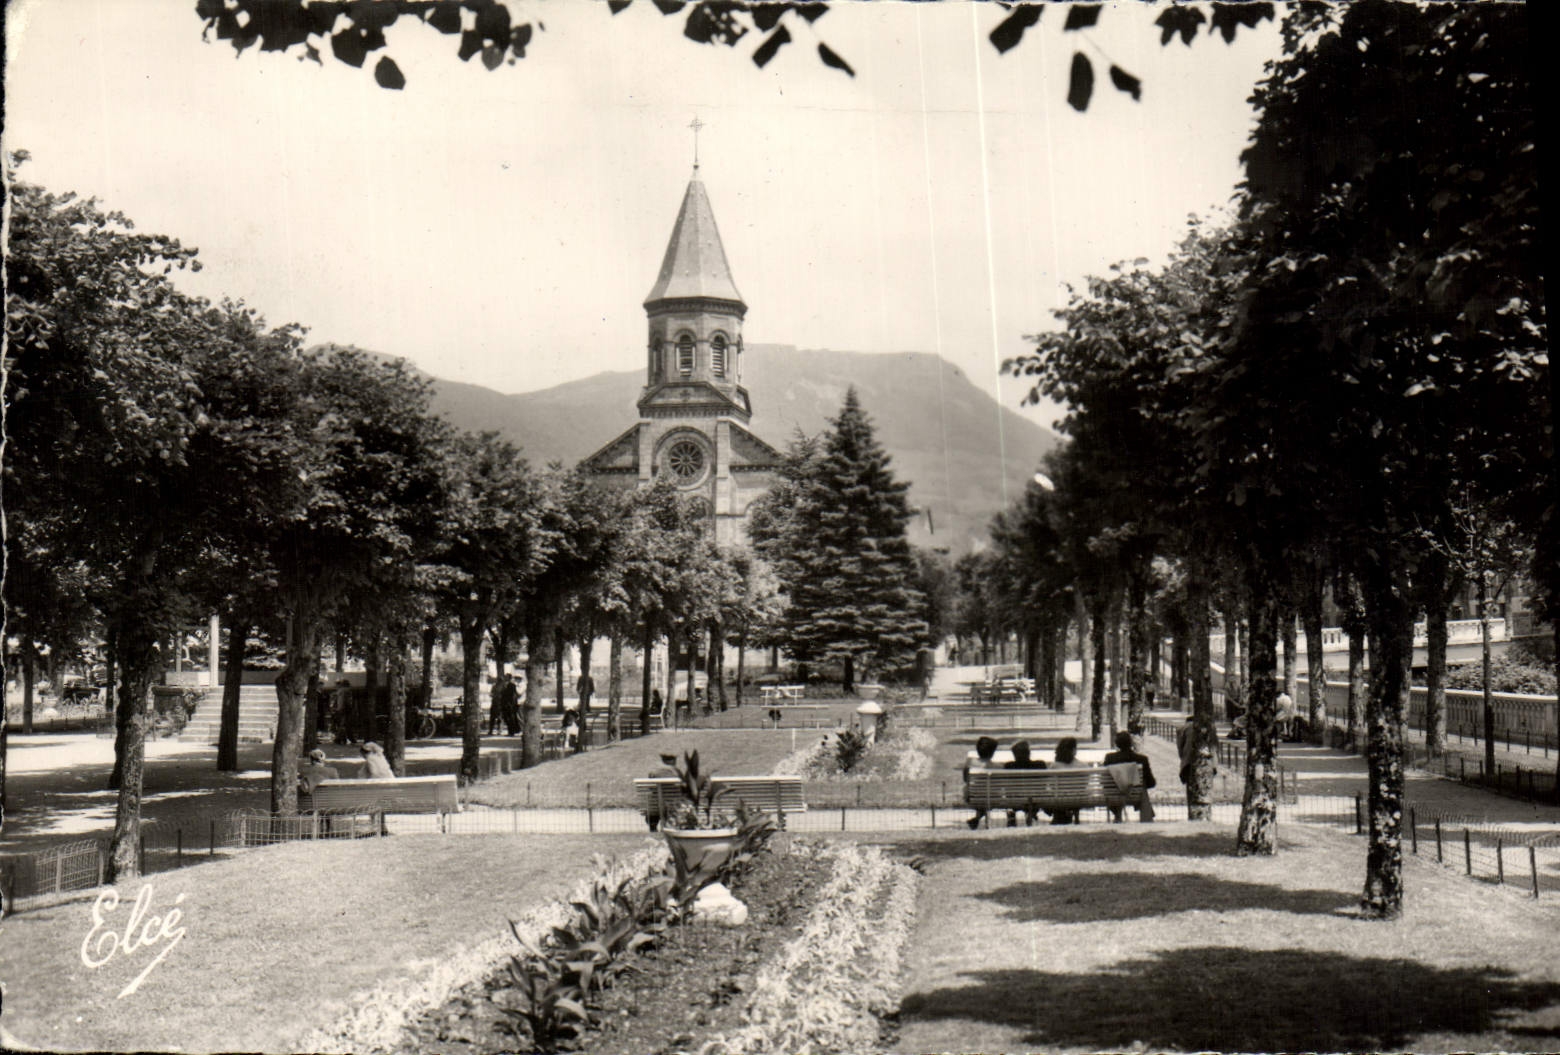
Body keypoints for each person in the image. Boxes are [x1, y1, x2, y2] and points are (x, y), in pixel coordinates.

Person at [1103, 730, 1157, 822]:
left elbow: (1105, 781)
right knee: (1141, 787)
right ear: (1131, 743)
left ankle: (1117, 815)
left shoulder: (1110, 758)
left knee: (1116, 787)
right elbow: (1151, 783)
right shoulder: (1142, 759)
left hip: (1114, 795)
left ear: (1117, 744)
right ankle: (1147, 817)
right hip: (1135, 795)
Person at [1004, 739, 1047, 826]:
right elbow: (1045, 784)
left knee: (1010, 794)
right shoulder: (1040, 765)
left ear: (1014, 754)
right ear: (1029, 752)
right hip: (1034, 799)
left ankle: (1011, 815)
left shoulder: (1009, 766)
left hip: (1014, 800)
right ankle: (1031, 812)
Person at [1048, 736, 1086, 825]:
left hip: (1060, 798)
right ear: (1073, 750)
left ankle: (1061, 817)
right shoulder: (1083, 766)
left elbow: (1051, 786)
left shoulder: (1054, 766)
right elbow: (1085, 784)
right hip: (1078, 798)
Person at [964, 735, 1000, 829]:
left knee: (981, 796)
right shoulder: (996, 767)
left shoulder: (970, 763)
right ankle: (977, 818)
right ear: (992, 752)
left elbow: (965, 779)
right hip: (993, 798)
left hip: (972, 797)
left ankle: (977, 818)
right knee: (986, 795)